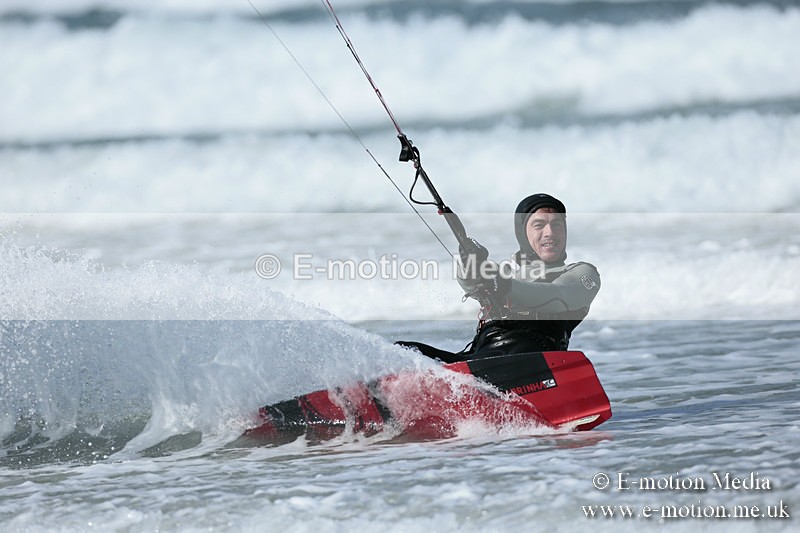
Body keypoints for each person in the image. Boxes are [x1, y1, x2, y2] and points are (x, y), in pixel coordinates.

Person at [398, 193, 600, 363]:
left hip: (533, 361)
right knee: (402, 352)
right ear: (523, 233)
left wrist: (503, 285)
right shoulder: (505, 271)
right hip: (482, 358)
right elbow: (470, 282)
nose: (550, 233)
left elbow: (558, 296)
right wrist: (470, 260)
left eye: (557, 225)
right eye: (539, 225)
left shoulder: (581, 274)